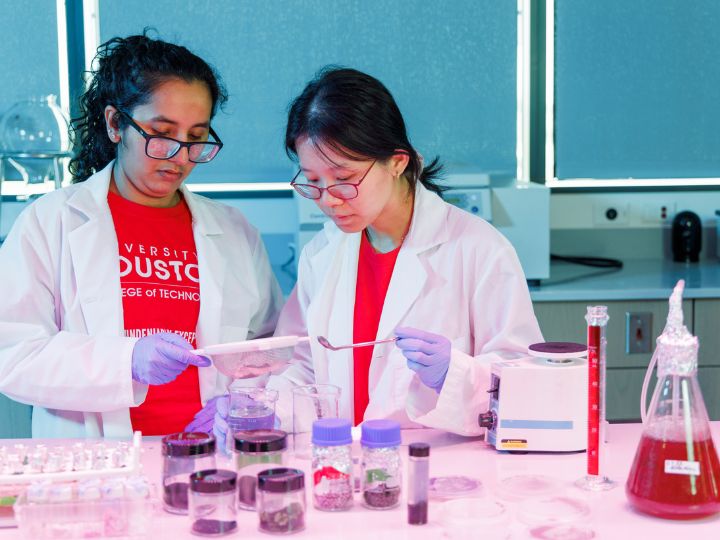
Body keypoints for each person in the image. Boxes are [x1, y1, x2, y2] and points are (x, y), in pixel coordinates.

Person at [204, 66, 543, 446]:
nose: (329, 200)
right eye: (313, 181)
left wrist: (455, 375)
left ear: (397, 162)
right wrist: (262, 407)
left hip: (442, 466)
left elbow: (524, 383)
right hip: (347, 462)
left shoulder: (478, 248)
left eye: (344, 178)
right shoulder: (324, 253)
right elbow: (302, 363)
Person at [0, 33, 283, 438]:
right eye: (162, 134)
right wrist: (127, 361)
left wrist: (242, 401)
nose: (180, 157)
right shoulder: (51, 223)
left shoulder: (234, 231)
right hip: (99, 462)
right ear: (116, 124)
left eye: (195, 138)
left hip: (210, 455)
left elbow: (268, 346)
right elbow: (12, 353)